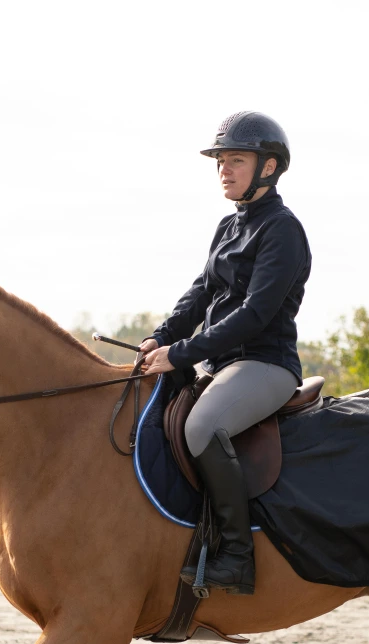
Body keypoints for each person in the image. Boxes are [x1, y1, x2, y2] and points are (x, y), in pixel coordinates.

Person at [138, 111, 312, 597]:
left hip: (265, 363)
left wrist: (181, 352)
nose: (223, 170)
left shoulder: (283, 229)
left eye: (236, 160)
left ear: (269, 167)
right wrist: (160, 336)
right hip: (221, 365)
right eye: (220, 161)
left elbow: (255, 314)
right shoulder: (228, 226)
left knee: (201, 427)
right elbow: (201, 292)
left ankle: (237, 556)